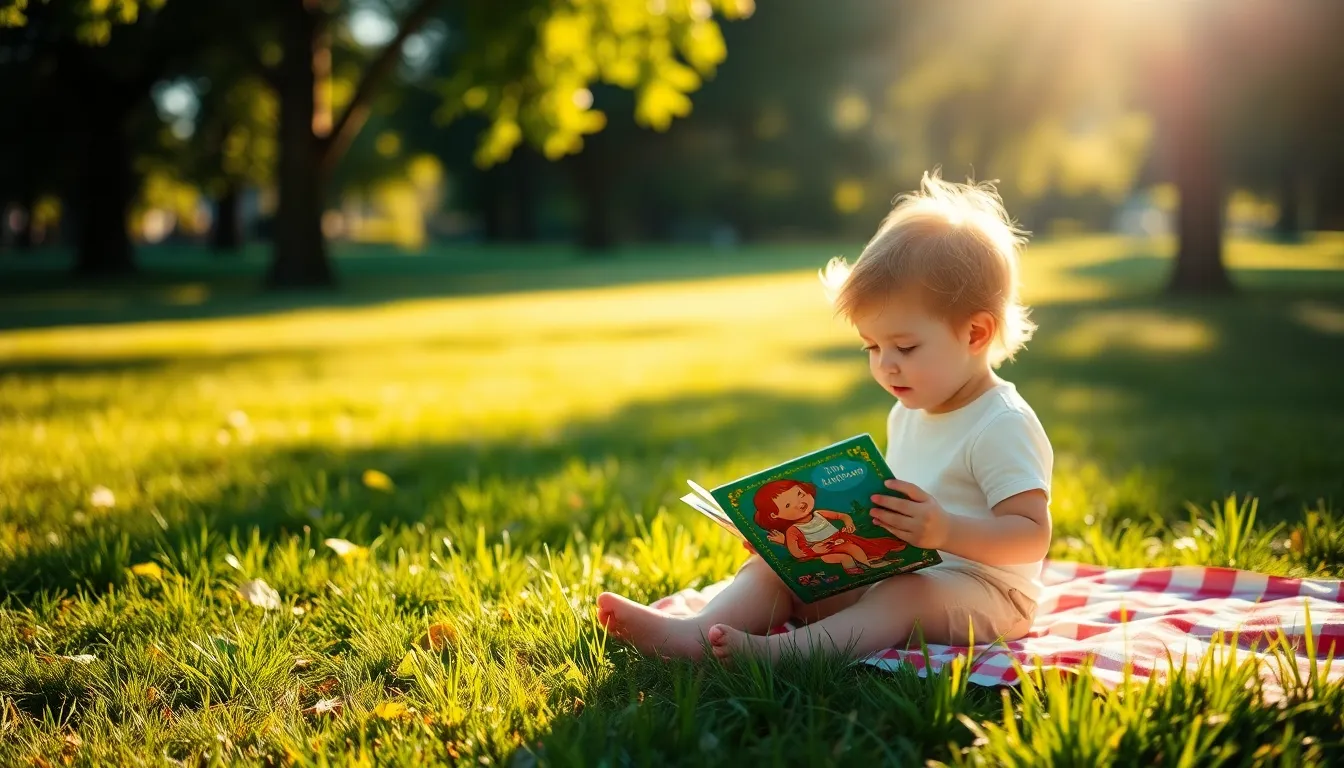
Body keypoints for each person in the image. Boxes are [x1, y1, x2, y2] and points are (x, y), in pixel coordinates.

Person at [596, 171, 1053, 664]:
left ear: (976, 333)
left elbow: (1030, 534)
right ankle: (696, 635)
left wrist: (945, 532)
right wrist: (800, 549)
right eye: (872, 347)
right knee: (784, 572)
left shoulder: (1000, 423)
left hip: (989, 593)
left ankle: (783, 656)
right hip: (909, 571)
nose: (885, 364)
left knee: (903, 597)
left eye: (904, 346)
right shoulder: (908, 411)